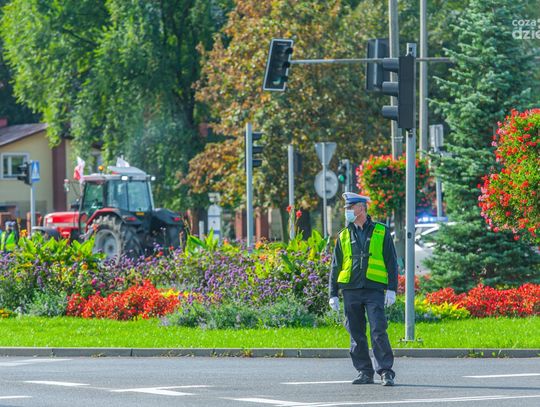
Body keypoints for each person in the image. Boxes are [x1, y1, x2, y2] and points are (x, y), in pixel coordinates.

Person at [329, 192, 398, 386]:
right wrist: (332, 294)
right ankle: (364, 372)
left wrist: (391, 289)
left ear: (361, 208)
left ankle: (386, 372)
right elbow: (335, 266)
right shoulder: (343, 235)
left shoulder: (381, 231)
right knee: (356, 333)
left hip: (373, 289)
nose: (347, 212)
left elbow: (391, 262)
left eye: (350, 208)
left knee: (378, 330)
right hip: (350, 290)